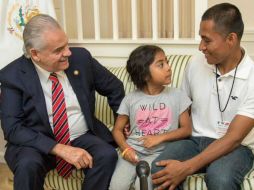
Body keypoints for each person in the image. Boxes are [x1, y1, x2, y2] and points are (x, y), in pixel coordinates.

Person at [0, 14, 125, 190]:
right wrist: (59, 149)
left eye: (66, 45)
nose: (68, 53)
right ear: (35, 54)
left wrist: (122, 123)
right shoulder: (12, 76)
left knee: (106, 155)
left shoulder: (81, 59)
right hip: (38, 141)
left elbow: (115, 88)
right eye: (58, 50)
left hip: (81, 135)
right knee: (28, 165)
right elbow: (13, 128)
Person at [151, 3, 254, 190]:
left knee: (220, 179)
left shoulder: (253, 77)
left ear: (231, 39)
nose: (201, 47)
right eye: (201, 39)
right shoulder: (195, 63)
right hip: (195, 141)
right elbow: (183, 109)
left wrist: (186, 167)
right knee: (158, 170)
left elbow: (234, 138)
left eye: (207, 40)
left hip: (235, 148)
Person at [109, 45, 192, 190]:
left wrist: (160, 137)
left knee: (142, 184)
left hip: (160, 153)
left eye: (167, 62)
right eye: (161, 64)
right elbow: (117, 130)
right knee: (117, 186)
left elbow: (186, 129)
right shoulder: (130, 99)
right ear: (145, 75)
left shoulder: (178, 95)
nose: (168, 67)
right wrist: (126, 149)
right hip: (133, 150)